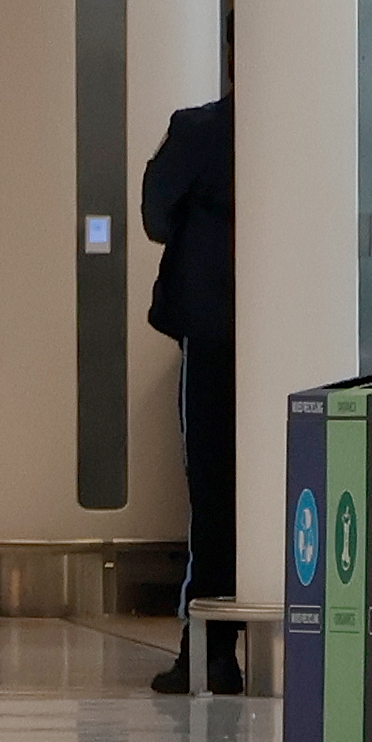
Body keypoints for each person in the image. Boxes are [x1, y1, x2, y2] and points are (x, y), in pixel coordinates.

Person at [141, 95, 241, 695]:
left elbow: (156, 217)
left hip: (214, 336)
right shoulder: (323, 124)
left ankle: (209, 652)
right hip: (302, 339)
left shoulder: (199, 130)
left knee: (212, 489)